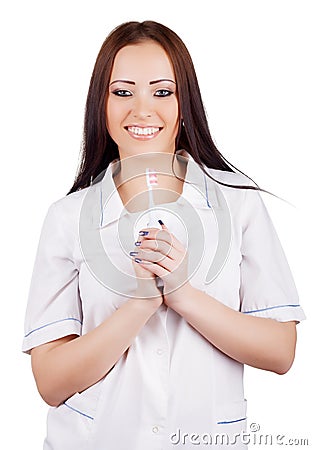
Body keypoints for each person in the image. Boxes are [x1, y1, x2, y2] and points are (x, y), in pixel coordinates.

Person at [22, 21, 305, 450]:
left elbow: (281, 351)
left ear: (185, 102)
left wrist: (184, 294)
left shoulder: (238, 203)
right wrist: (139, 303)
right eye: (122, 92)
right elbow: (50, 381)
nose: (141, 110)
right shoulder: (67, 217)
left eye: (161, 91)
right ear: (100, 103)